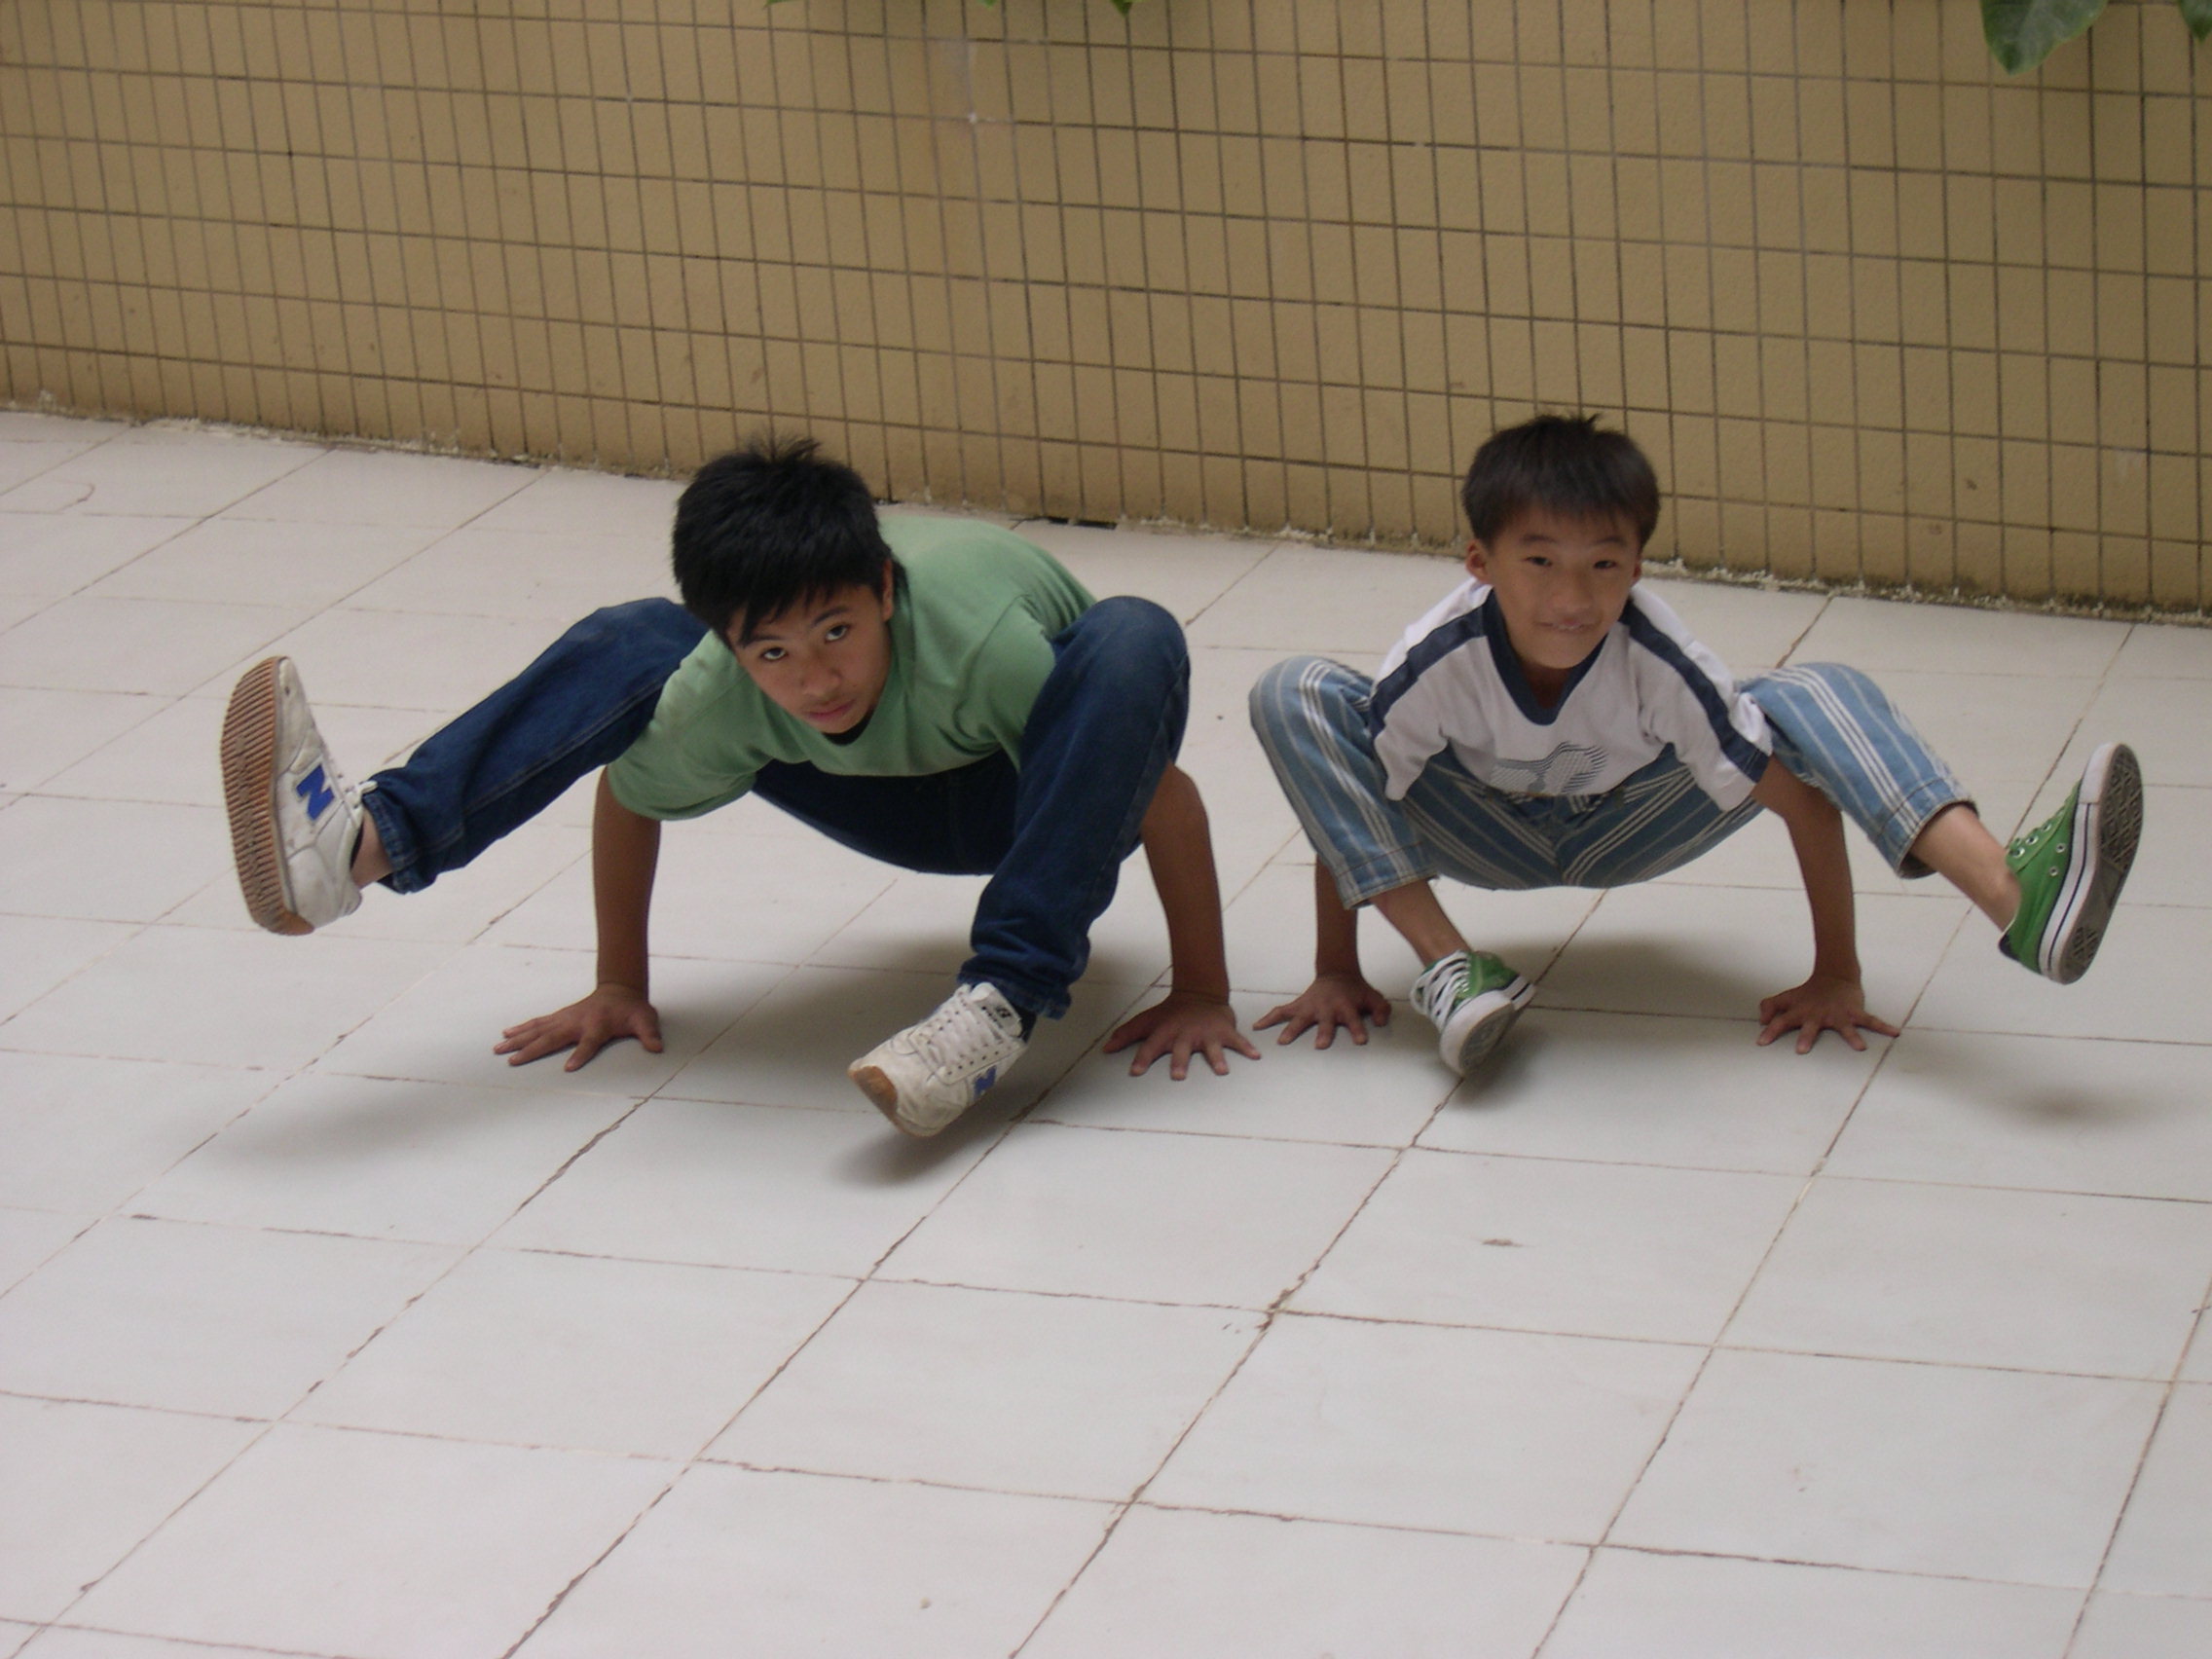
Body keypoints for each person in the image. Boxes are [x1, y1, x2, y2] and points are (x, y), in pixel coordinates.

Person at [219, 436, 1257, 1137]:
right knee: (636, 642)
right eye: (773, 653)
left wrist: (1202, 990)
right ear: (734, 647)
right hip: (890, 805)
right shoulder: (722, 689)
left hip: (1043, 799)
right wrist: (620, 982)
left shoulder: (985, 646)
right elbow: (630, 790)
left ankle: (998, 1004)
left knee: (1132, 634)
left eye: (838, 632)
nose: (816, 679)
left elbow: (1159, 796)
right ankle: (361, 849)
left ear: (884, 592)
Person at [1247, 414, 2144, 1073]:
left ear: (1636, 567)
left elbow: (1802, 804)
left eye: (1604, 564)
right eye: (1539, 561)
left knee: (1812, 691)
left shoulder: (1659, 658)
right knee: (1297, 691)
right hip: (1479, 833)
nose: (1573, 598)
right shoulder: (1438, 660)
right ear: (1480, 563)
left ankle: (2015, 899)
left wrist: (1837, 974)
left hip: (1632, 826)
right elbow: (1351, 805)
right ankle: (1455, 969)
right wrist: (1336, 967)